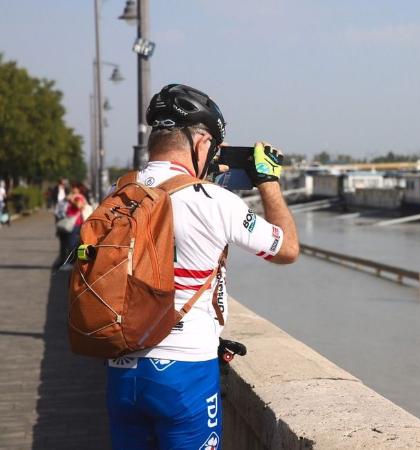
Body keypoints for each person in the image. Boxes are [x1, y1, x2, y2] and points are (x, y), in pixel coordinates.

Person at [105, 84, 299, 450]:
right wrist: (268, 182)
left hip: (122, 370)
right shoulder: (215, 202)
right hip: (184, 374)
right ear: (201, 142)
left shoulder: (119, 195)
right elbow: (286, 249)